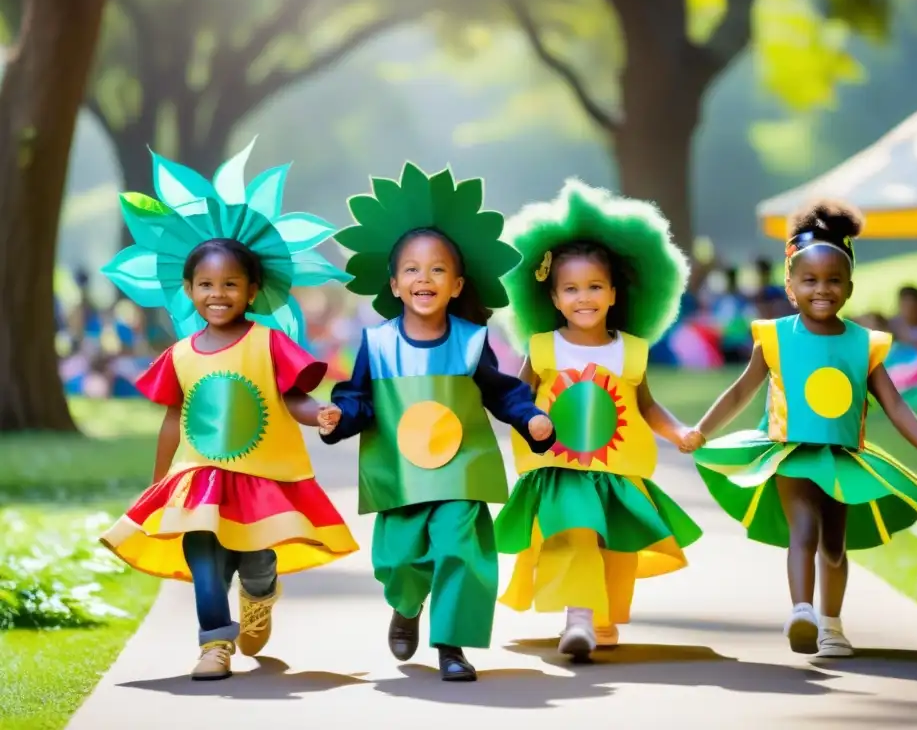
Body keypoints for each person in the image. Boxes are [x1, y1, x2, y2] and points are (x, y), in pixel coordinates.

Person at [100, 143, 358, 680]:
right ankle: (214, 643)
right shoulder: (180, 354)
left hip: (260, 477)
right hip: (198, 478)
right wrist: (160, 483)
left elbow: (292, 398)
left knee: (255, 560)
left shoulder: (268, 342)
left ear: (252, 290)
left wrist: (320, 415)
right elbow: (174, 418)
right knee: (204, 559)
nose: (218, 294)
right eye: (207, 285)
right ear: (189, 290)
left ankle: (260, 596)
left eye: (230, 285)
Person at [681, 198, 917, 658]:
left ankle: (832, 624)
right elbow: (738, 393)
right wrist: (702, 430)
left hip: (844, 458)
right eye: (809, 280)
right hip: (791, 453)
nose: (821, 290)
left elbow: (894, 404)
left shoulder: (863, 344)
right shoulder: (772, 336)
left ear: (849, 287)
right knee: (803, 532)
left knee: (834, 544)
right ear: (790, 286)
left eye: (833, 281)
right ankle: (802, 611)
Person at [323, 162, 556, 682]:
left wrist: (532, 419)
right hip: (400, 476)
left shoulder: (471, 341)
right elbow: (358, 397)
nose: (423, 279)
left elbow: (503, 392)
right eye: (411, 269)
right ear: (393, 283)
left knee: (460, 550)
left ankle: (451, 644)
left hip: (460, 473)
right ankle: (406, 606)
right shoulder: (378, 343)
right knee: (399, 561)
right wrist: (340, 416)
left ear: (455, 285)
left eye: (436, 271)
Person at [494, 180, 703, 661]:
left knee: (614, 546)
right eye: (570, 289)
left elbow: (647, 405)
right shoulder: (544, 348)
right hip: (562, 469)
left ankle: (600, 617)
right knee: (576, 533)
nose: (583, 297)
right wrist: (529, 421)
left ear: (613, 294)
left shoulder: (630, 350)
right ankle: (579, 618)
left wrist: (678, 432)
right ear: (552, 298)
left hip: (615, 471)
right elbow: (518, 397)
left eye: (594, 287)